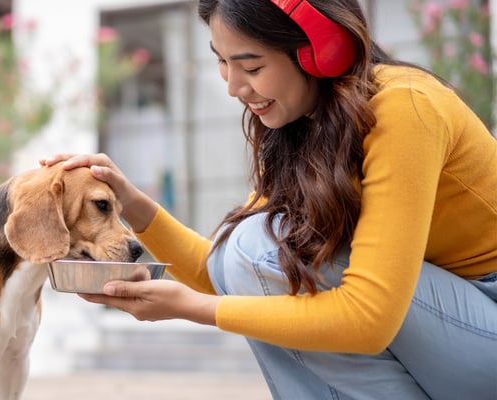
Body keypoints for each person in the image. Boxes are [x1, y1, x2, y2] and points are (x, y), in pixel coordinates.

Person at [41, 0, 497, 398]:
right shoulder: (297, 127)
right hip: (442, 335)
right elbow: (220, 272)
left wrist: (195, 310)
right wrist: (131, 202)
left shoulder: (405, 107)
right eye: (222, 62)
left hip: (485, 326)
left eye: (252, 66)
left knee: (261, 242)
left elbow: (369, 318)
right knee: (248, 248)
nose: (234, 87)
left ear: (321, 50)